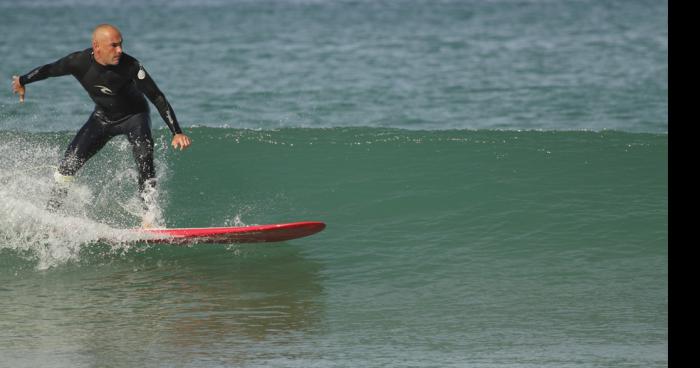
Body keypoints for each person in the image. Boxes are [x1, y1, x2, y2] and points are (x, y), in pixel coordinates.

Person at [11, 24, 191, 227]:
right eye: (113, 46)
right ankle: (51, 214)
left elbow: (157, 97)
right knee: (67, 167)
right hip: (102, 118)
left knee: (144, 158)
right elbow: (50, 70)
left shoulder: (131, 66)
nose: (120, 50)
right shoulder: (77, 62)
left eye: (121, 44)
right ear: (96, 46)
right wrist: (23, 80)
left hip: (135, 117)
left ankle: (149, 218)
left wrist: (176, 131)